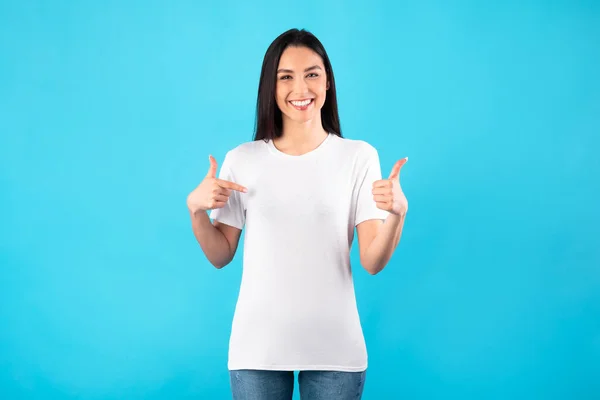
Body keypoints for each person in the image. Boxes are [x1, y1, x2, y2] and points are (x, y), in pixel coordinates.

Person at [186, 28, 408, 400]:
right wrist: (195, 210)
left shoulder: (358, 157)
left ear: (328, 82)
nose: (300, 88)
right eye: (285, 77)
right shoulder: (243, 159)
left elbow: (372, 260)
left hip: (336, 347)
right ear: (270, 88)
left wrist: (397, 215)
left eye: (312, 74)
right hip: (257, 346)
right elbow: (220, 254)